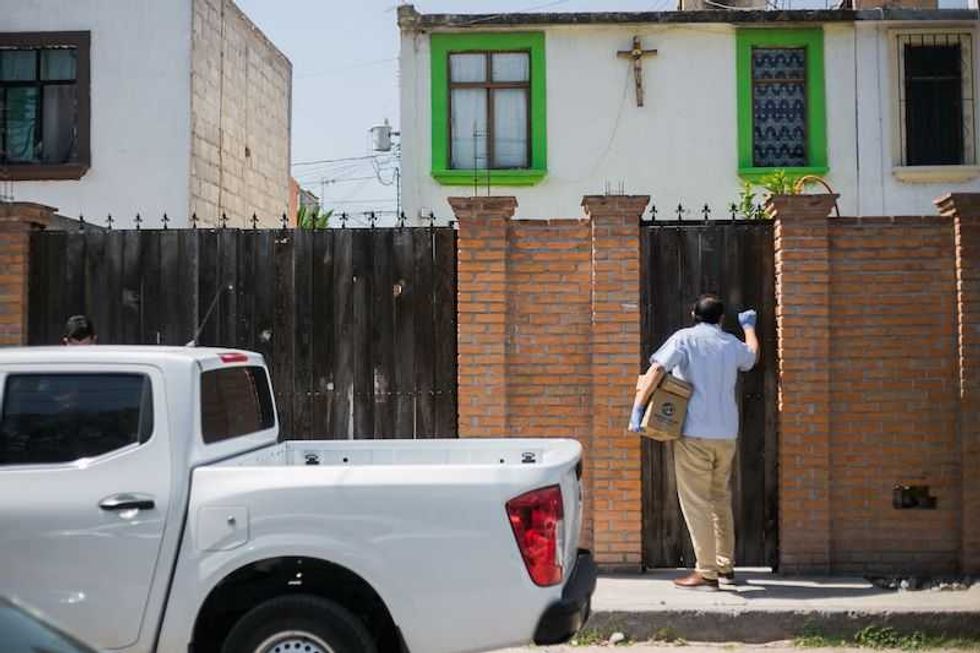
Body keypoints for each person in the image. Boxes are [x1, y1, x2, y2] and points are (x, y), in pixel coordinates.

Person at [629, 294, 759, 591]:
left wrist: (638, 408)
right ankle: (725, 567)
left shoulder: (684, 339)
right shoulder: (730, 343)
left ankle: (706, 572)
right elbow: (751, 357)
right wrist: (749, 327)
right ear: (722, 318)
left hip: (694, 433)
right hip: (726, 434)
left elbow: (657, 370)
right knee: (720, 501)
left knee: (696, 503)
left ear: (693, 314)